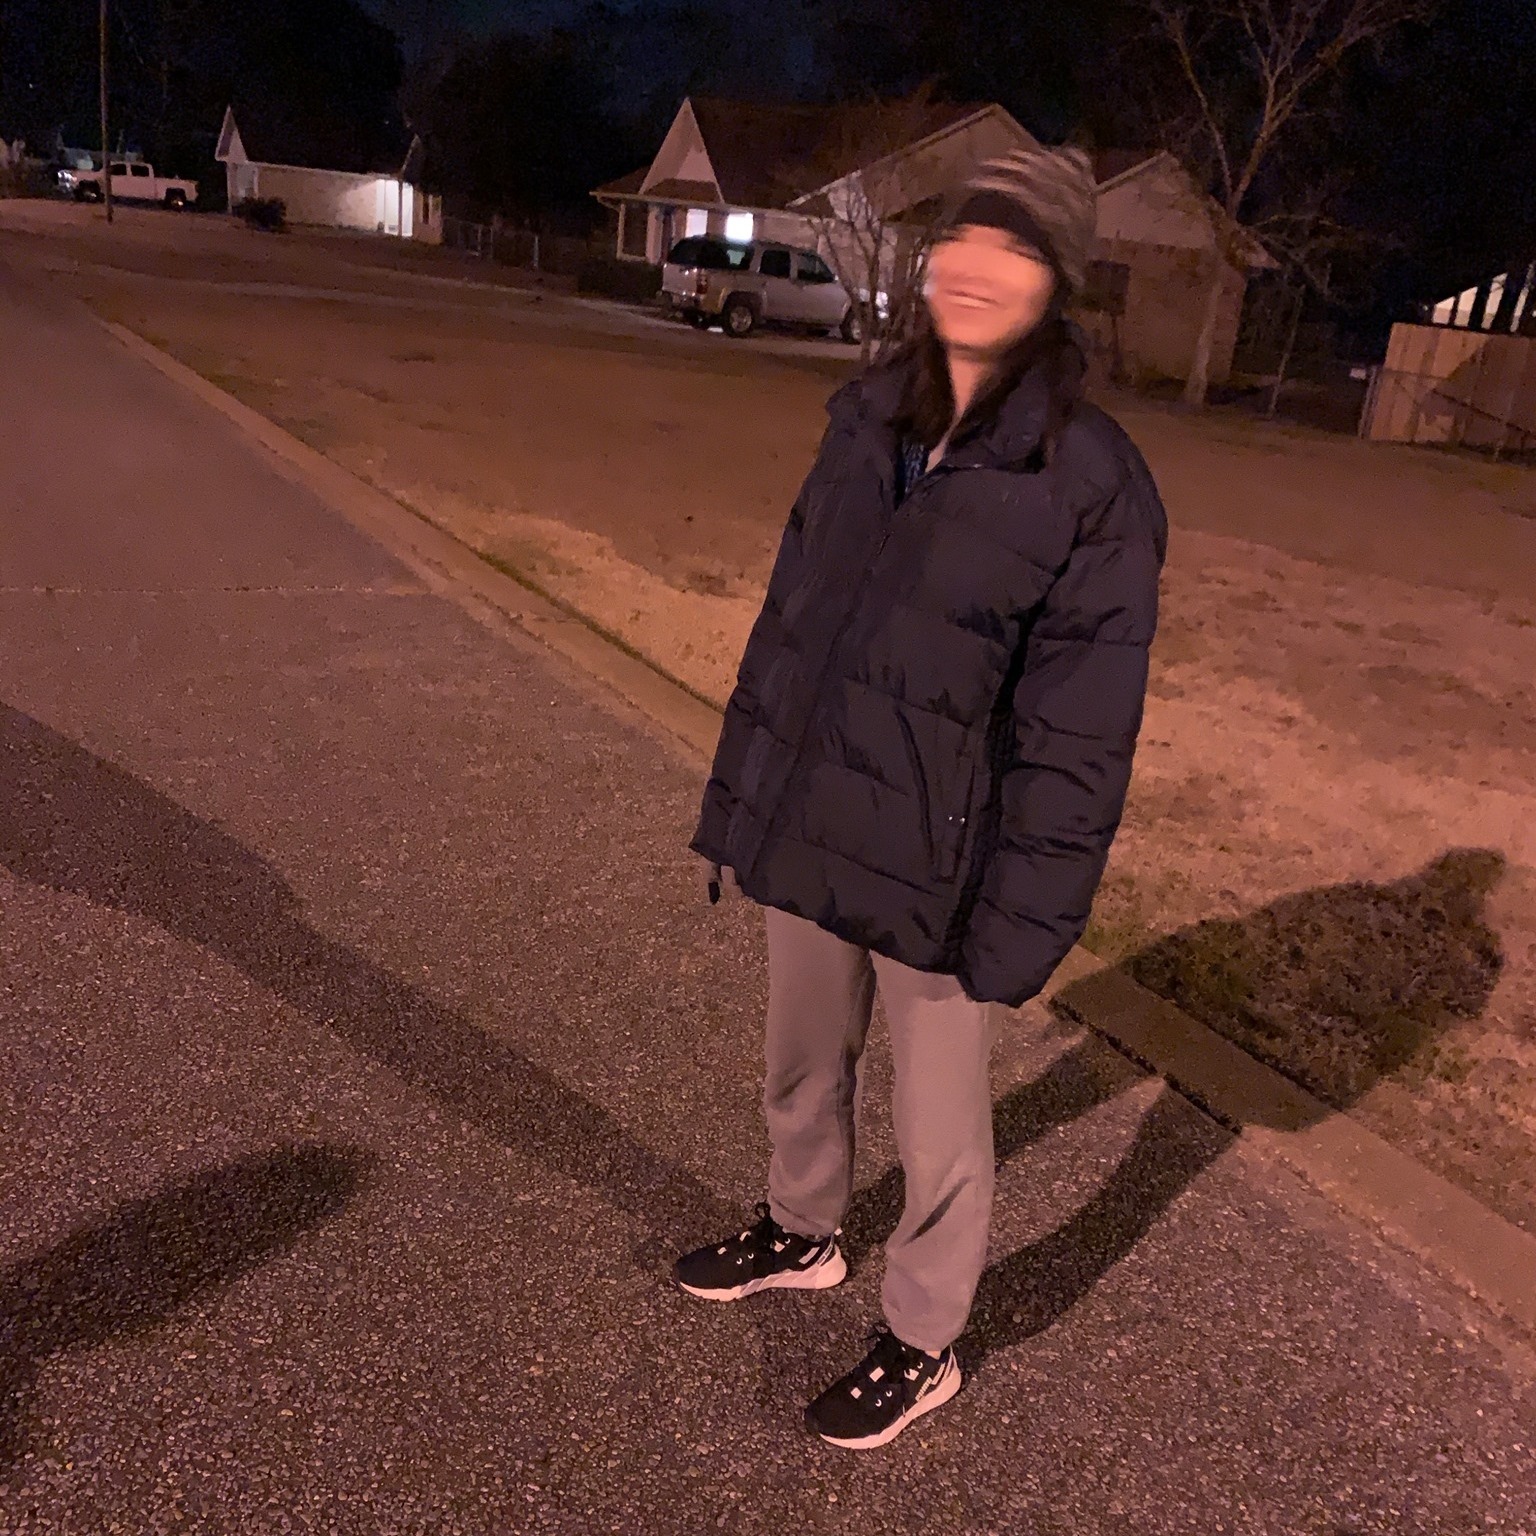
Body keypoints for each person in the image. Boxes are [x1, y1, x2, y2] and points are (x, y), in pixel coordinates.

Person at [675, 147, 1169, 1450]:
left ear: (1056, 282)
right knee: (798, 1058)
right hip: (815, 809)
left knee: (941, 1125)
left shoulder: (1091, 481)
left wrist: (1026, 917)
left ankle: (923, 1339)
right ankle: (801, 1231)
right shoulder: (867, 422)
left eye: (1016, 249)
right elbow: (791, 625)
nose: (978, 268)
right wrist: (741, 799)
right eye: (965, 240)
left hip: (949, 864)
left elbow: (1082, 734)